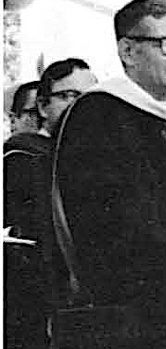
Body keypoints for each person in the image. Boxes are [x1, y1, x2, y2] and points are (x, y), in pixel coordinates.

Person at [53, 0, 166, 349]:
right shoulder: (99, 116)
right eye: (165, 43)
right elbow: (136, 223)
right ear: (128, 51)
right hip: (132, 308)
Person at [3, 60, 96, 349]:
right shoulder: (24, 156)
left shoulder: (89, 157)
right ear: (43, 106)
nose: (81, 106)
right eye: (70, 96)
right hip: (37, 298)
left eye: (89, 98)